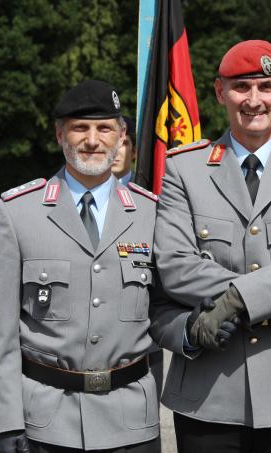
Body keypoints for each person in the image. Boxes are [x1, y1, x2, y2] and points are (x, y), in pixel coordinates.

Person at [149, 40, 271, 453]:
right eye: (242, 87)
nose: (254, 100)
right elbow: (176, 265)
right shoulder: (184, 169)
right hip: (209, 393)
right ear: (221, 92)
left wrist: (235, 300)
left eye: (265, 86)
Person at [0, 80, 163, 453]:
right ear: (59, 133)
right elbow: (1, 334)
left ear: (121, 135)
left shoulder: (152, 213)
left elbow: (162, 315)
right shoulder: (18, 213)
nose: (93, 140)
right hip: (46, 424)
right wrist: (6, 422)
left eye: (105, 128)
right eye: (80, 127)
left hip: (131, 422)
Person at [110, 115, 165, 395]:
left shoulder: (156, 205)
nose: (117, 150)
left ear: (135, 151)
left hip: (143, 349)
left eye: (125, 143)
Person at [112, 115, 138, 186]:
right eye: (111, 143)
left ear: (134, 152)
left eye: (123, 143)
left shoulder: (146, 187)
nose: (115, 151)